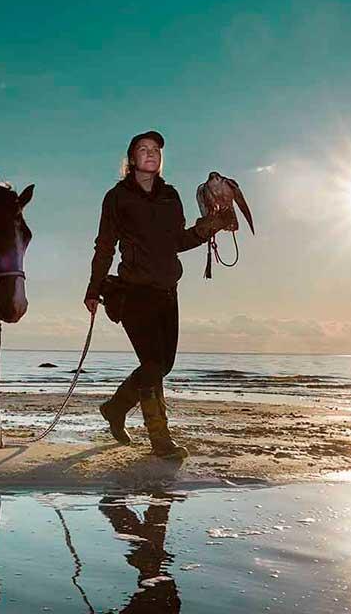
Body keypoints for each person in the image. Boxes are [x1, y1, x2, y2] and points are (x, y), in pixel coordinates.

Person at [84, 130, 228, 459]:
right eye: (143, 149)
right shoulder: (117, 197)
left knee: (163, 365)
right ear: (131, 160)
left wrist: (212, 226)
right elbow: (104, 246)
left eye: (155, 150)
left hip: (167, 290)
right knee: (151, 364)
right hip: (134, 291)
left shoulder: (171, 196)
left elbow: (178, 241)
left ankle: (115, 408)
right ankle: (160, 440)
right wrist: (93, 289)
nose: (151, 153)